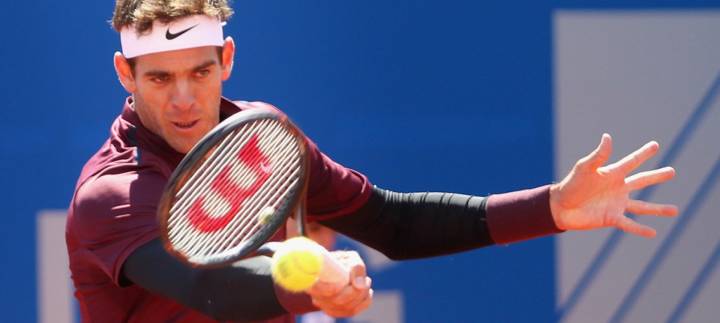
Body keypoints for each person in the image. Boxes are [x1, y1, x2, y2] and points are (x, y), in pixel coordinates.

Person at [65, 1, 678, 322]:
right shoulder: (112, 195)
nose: (183, 99)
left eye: (200, 73)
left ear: (227, 59)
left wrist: (552, 208)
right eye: (159, 78)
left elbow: (391, 224)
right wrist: (315, 285)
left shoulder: (263, 138)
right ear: (126, 73)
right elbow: (210, 290)